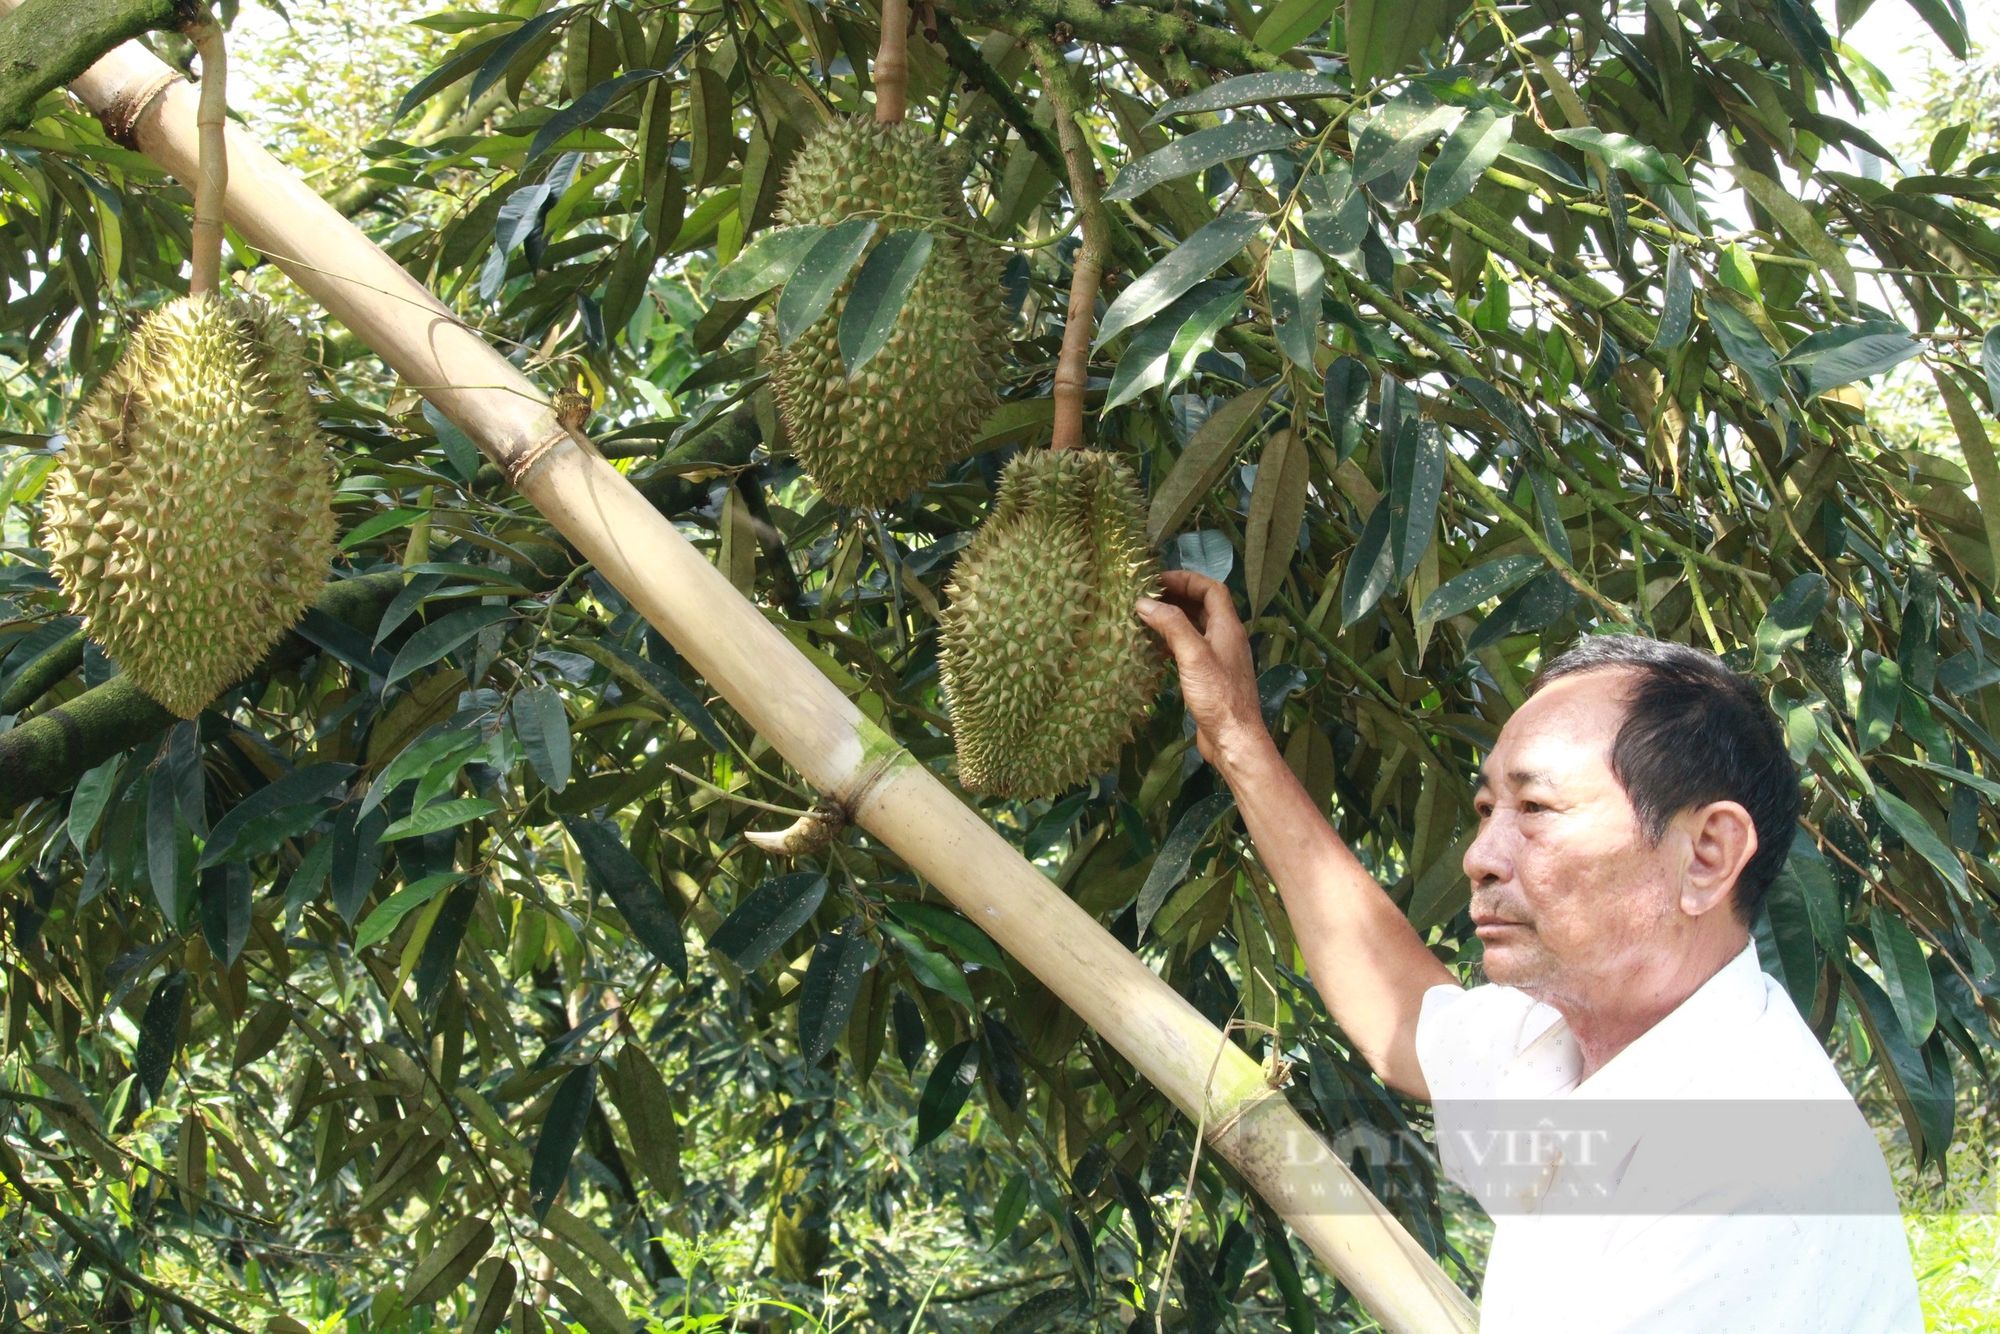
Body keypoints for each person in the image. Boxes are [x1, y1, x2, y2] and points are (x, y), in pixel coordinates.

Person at [1136, 570, 1922, 1334]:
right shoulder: (1586, 1047)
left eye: (1537, 807)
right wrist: (1237, 738)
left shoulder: (1749, 1176)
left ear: (1708, 855)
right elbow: (1409, 1022)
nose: (1480, 854)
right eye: (1487, 807)